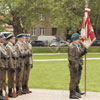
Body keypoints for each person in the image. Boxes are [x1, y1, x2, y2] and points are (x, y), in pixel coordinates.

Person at [68, 33, 87, 99]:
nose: (79, 40)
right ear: (75, 40)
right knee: (73, 79)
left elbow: (78, 54)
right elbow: (72, 57)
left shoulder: (77, 45)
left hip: (78, 64)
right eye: (78, 39)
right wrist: (74, 66)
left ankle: (76, 90)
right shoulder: (72, 46)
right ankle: (72, 93)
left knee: (77, 78)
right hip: (74, 65)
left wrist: (83, 52)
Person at [0, 34, 8, 100]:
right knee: (0, 80)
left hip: (4, 65)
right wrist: (2, 66)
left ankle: (1, 92)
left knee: (2, 80)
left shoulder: (2, 46)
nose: (4, 40)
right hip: (1, 66)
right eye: (3, 39)